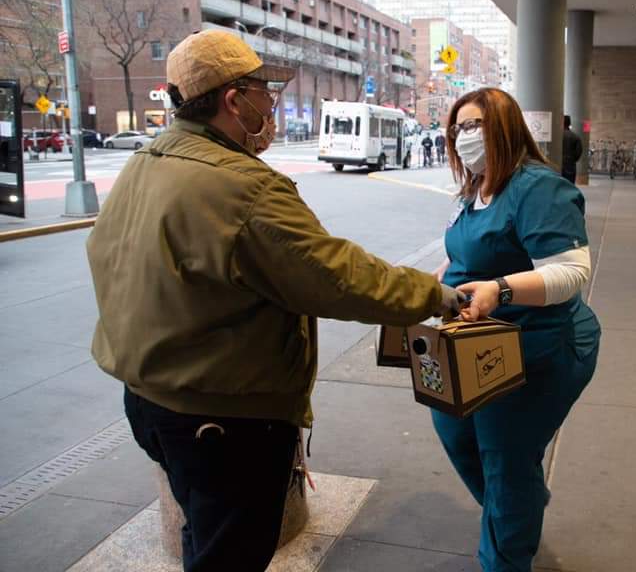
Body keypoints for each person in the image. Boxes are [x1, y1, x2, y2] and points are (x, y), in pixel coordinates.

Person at [85, 29, 464, 572]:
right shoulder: (244, 188)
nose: (273, 106)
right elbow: (340, 277)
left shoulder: (146, 164)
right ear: (233, 100)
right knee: (231, 553)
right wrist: (437, 296)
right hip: (224, 422)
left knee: (205, 531)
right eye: (265, 92)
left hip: (150, 404)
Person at [432, 87, 601, 572]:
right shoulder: (476, 189)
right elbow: (468, 251)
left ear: (503, 128)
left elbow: (570, 273)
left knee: (505, 457)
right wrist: (440, 280)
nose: (461, 137)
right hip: (480, 343)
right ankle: (518, 506)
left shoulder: (537, 188)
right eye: (456, 128)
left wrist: (499, 290)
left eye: (472, 126)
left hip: (541, 345)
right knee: (455, 430)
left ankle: (505, 554)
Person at [561, 114, 583, 184]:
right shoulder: (575, 137)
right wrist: (572, 159)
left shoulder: (557, 136)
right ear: (569, 123)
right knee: (569, 184)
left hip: (558, 164)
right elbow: (578, 152)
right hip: (570, 164)